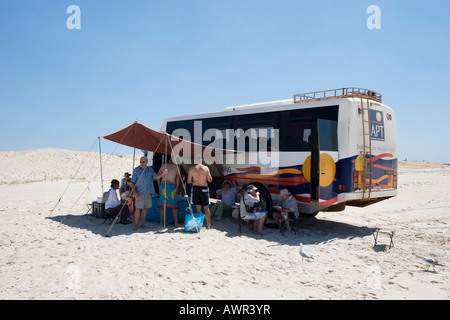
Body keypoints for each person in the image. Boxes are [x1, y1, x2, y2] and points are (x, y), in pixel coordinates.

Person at [130, 156, 168, 230]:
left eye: (143, 162)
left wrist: (163, 174)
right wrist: (135, 192)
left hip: (148, 192)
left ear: (146, 162)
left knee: (145, 209)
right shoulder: (136, 170)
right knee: (138, 208)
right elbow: (132, 182)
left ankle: (143, 224)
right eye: (140, 162)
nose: (141, 163)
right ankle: (136, 224)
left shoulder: (150, 169)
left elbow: (156, 177)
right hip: (139, 192)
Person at [188, 154, 213, 229]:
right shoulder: (205, 168)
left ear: (195, 160)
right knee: (206, 207)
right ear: (201, 160)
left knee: (198, 207)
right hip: (204, 188)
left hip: (195, 188)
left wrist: (194, 180)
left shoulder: (192, 169)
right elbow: (210, 180)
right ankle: (208, 225)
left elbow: (188, 181)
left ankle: (200, 224)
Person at [158, 156, 181, 227]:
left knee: (163, 205)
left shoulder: (164, 165)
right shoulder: (176, 167)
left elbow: (158, 177)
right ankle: (176, 222)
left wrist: (159, 187)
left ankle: (162, 222)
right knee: (173, 206)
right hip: (171, 185)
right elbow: (178, 179)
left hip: (164, 185)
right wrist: (177, 188)